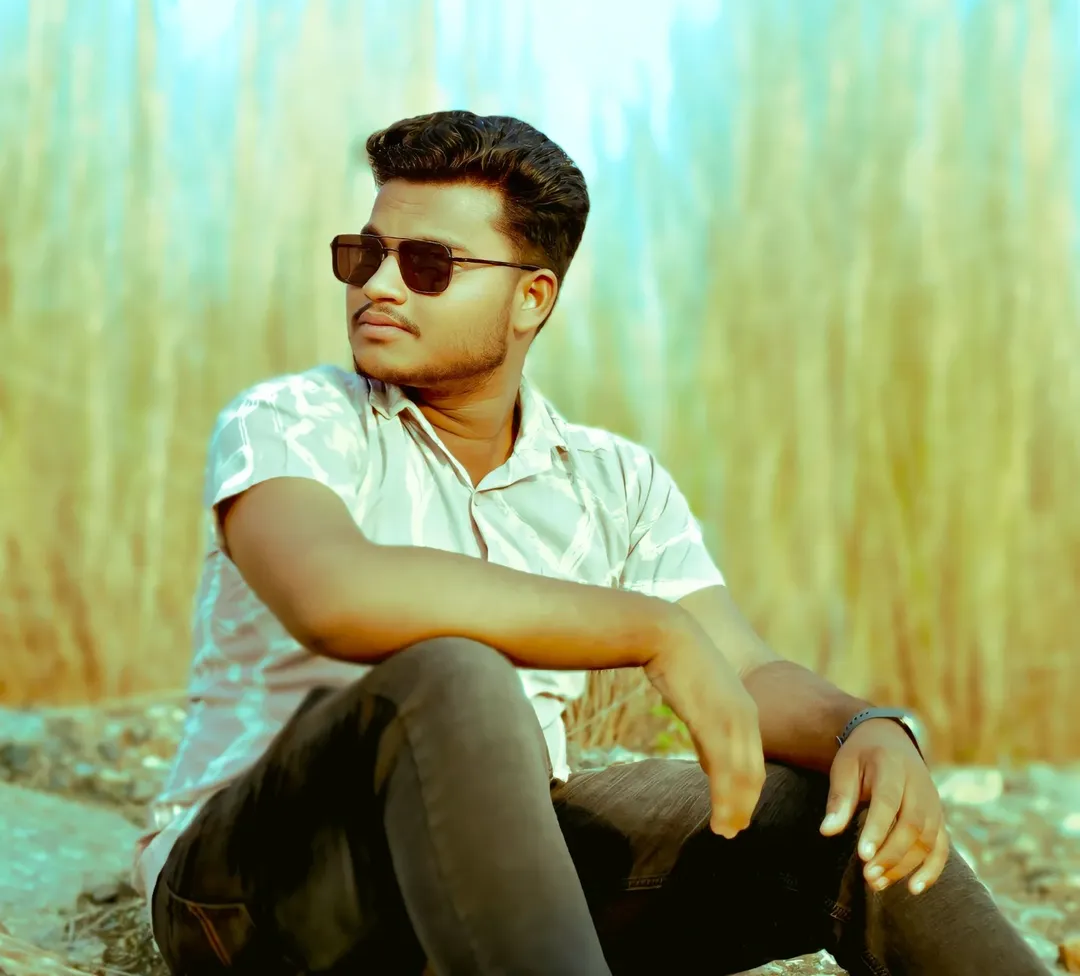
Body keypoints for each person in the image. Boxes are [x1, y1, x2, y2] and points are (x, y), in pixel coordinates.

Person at [134, 110, 1043, 975]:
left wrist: (865, 728)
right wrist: (648, 628)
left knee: (840, 815)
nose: (378, 284)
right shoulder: (294, 419)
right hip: (261, 888)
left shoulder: (614, 481)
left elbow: (746, 671)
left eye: (427, 263)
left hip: (501, 868)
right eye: (364, 253)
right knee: (454, 674)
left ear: (531, 298)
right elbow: (332, 594)